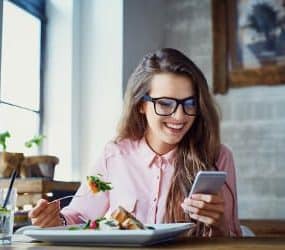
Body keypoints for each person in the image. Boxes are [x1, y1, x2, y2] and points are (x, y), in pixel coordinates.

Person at [29, 48, 241, 237]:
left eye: (189, 103)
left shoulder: (218, 157)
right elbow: (79, 215)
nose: (179, 116)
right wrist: (56, 221)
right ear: (141, 104)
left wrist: (219, 224)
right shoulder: (113, 156)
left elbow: (233, 237)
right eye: (165, 104)